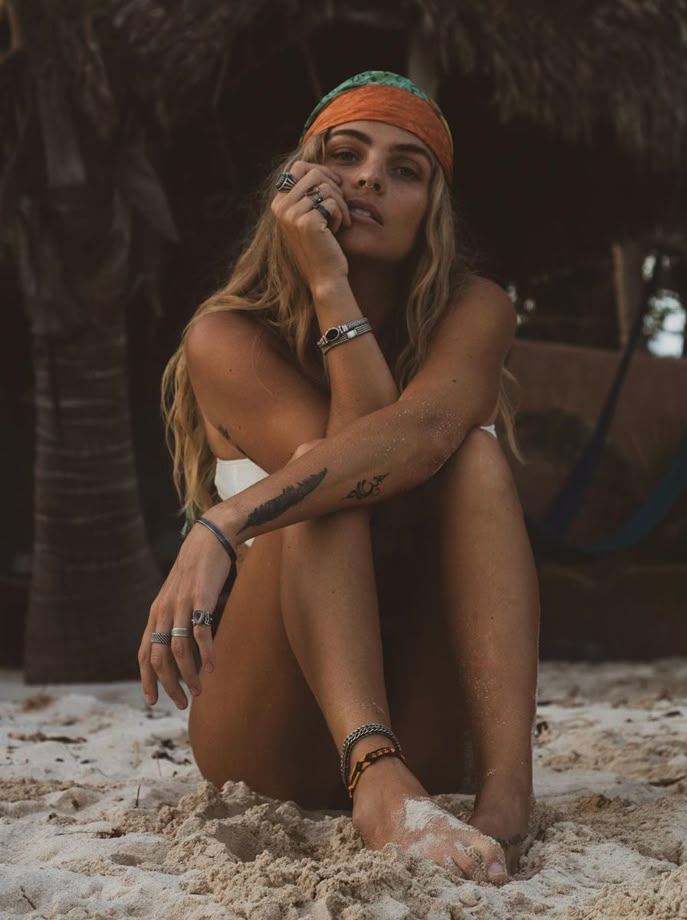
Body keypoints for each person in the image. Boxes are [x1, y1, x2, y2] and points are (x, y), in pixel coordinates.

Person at [138, 71, 540, 885]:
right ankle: (372, 772)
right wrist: (326, 279)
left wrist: (224, 520)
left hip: (429, 721)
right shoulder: (226, 336)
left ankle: (508, 791)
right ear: (297, 183)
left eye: (405, 170)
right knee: (315, 478)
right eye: (345, 156)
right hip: (268, 729)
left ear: (433, 209)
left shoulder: (478, 308)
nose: (367, 179)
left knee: (471, 455)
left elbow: (416, 439)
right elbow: (348, 459)